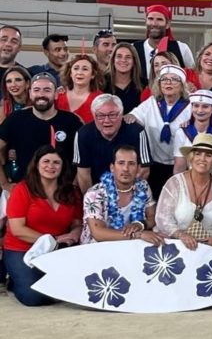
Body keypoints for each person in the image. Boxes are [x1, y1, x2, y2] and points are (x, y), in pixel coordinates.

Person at [3, 146, 83, 306]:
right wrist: (53, 239)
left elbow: (77, 222)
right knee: (34, 297)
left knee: (76, 288)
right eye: (46, 161)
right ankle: (14, 281)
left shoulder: (71, 192)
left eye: (56, 163)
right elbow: (18, 229)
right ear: (37, 164)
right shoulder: (22, 189)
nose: (50, 166)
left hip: (57, 250)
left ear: (62, 167)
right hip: (22, 249)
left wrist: (75, 232)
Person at [154, 133, 212, 252]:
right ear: (191, 158)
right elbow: (162, 218)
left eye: (208, 155)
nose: (202, 159)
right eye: (198, 154)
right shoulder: (174, 183)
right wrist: (180, 235)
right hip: (178, 243)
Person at [0, 72, 83, 189]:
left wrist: (74, 186)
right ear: (30, 94)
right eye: (36, 90)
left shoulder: (71, 121)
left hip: (61, 190)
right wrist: (4, 184)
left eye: (47, 90)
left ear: (56, 94)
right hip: (24, 189)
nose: (41, 94)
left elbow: (84, 157)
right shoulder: (15, 119)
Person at [129, 64, 192, 195]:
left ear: (182, 85)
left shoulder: (191, 105)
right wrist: (129, 116)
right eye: (164, 79)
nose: (168, 82)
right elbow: (133, 117)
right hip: (154, 165)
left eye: (174, 79)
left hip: (181, 166)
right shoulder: (152, 102)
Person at [81, 143, 160, 246]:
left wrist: (140, 224)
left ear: (138, 168)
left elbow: (153, 217)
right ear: (112, 167)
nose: (126, 169)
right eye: (121, 163)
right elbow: (98, 233)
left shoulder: (143, 186)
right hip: (97, 248)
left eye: (131, 163)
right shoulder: (95, 193)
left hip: (131, 246)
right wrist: (138, 235)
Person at [73, 93, 149, 192]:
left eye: (112, 115)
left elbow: (144, 170)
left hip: (131, 192)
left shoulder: (137, 132)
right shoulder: (83, 134)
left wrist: (127, 197)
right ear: (94, 116)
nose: (107, 120)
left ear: (121, 115)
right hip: (96, 192)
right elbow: (83, 174)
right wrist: (93, 201)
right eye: (100, 115)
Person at [171, 89, 212, 177]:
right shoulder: (182, 132)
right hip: (188, 180)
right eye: (196, 106)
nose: (200, 110)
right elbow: (179, 167)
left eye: (205, 106)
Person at [131, 4, 194, 85]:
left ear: (167, 24)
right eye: (150, 19)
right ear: (145, 22)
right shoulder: (134, 48)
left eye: (159, 19)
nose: (154, 23)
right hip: (141, 96)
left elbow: (192, 75)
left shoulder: (181, 48)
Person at [56, 54, 103, 123]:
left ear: (93, 75)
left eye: (85, 69)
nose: (79, 72)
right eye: (76, 68)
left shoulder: (100, 99)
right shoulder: (58, 95)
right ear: (70, 73)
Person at [105, 42, 144, 115]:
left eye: (128, 57)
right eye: (119, 56)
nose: (123, 60)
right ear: (113, 60)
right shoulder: (101, 83)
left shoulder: (145, 85)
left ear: (134, 61)